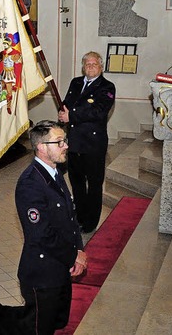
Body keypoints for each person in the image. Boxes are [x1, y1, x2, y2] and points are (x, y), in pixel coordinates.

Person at [0, 120, 86, 335]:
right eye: (60, 142)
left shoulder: (55, 173)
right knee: (34, 328)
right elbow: (41, 234)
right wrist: (73, 255)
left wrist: (79, 249)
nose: (66, 145)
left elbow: (69, 218)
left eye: (65, 140)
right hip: (42, 271)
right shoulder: (30, 183)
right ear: (42, 147)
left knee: (60, 320)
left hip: (60, 263)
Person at [58, 51, 115, 233]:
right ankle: (80, 217)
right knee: (77, 183)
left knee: (94, 185)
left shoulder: (107, 87)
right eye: (87, 64)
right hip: (74, 143)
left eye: (94, 64)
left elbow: (98, 112)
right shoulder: (76, 82)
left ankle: (90, 223)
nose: (90, 67)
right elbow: (67, 102)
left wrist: (71, 115)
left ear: (101, 67)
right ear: (83, 66)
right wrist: (63, 114)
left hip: (93, 145)